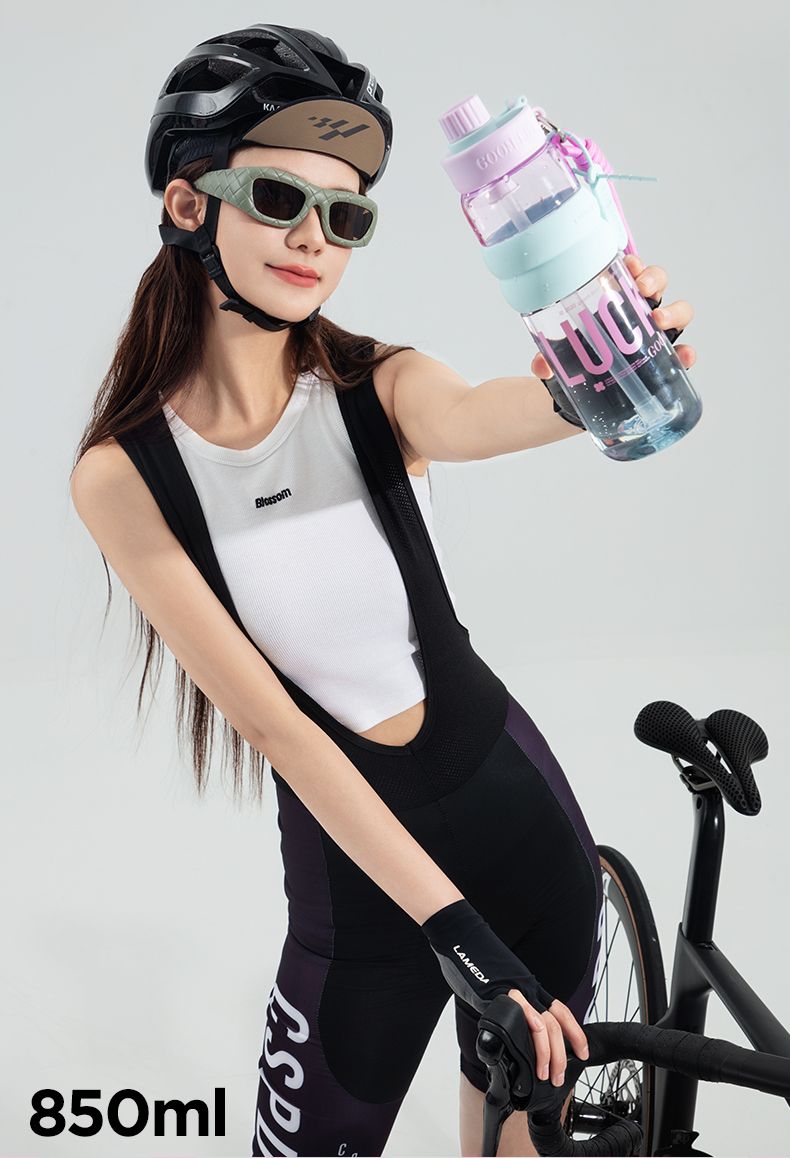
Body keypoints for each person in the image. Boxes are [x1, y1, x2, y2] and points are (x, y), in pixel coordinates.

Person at [69, 23, 695, 1158]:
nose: (315, 237)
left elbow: (481, 414)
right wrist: (453, 930)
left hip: (524, 828)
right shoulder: (125, 477)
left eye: (346, 215)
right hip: (362, 891)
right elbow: (280, 730)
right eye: (278, 199)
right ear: (187, 205)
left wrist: (605, 367)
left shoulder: (377, 387)